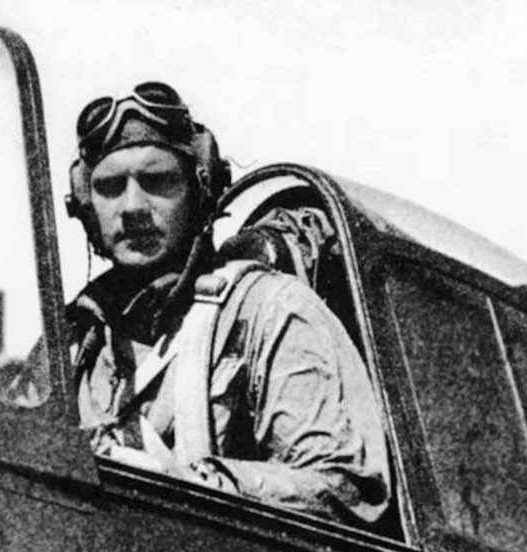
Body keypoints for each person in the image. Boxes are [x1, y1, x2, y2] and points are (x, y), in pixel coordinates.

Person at [64, 82, 390, 524]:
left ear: (201, 191)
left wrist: (192, 485)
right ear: (85, 205)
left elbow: (349, 487)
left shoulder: (268, 311)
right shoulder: (72, 343)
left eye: (158, 182)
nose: (133, 207)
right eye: (109, 187)